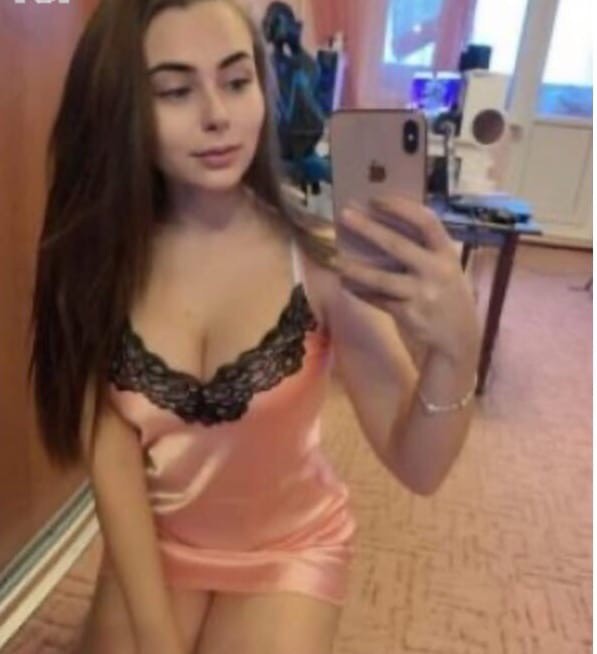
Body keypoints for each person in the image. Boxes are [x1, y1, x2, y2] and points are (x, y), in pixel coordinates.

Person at [27, 1, 481, 652]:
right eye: (176, 91)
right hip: (160, 537)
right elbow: (112, 455)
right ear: (118, 107)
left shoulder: (319, 263)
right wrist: (156, 638)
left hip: (289, 549)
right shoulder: (96, 260)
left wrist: (456, 350)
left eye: (237, 81)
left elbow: (419, 467)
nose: (218, 114)